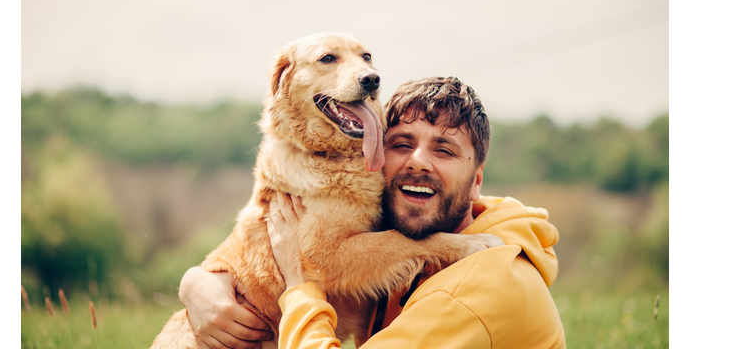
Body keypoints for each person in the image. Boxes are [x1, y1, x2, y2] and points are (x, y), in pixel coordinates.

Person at [179, 77, 566, 349]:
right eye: (401, 143)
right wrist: (197, 283)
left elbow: (322, 263)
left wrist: (299, 284)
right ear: (372, 150)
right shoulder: (410, 228)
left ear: (477, 179)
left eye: (444, 150)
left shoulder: (473, 292)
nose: (418, 162)